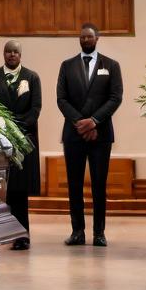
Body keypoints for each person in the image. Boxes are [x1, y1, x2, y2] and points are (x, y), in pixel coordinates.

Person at [56, 23, 123, 248]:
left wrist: (94, 121)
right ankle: (77, 231)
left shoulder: (111, 65)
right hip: (74, 135)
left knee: (98, 185)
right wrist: (80, 123)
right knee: (74, 185)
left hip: (100, 135)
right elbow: (61, 99)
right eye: (82, 37)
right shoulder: (67, 66)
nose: (85, 40)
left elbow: (115, 97)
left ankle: (99, 233)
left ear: (97, 38)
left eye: (89, 37)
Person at [0, 40, 41, 249]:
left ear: (20, 55)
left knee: (20, 191)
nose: (11, 55)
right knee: (3, 190)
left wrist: (15, 128)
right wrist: (4, 127)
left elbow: (35, 109)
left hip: (23, 140)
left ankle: (22, 235)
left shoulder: (32, 77)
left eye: (15, 51)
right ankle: (1, 234)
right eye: (8, 51)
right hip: (1, 139)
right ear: (4, 54)